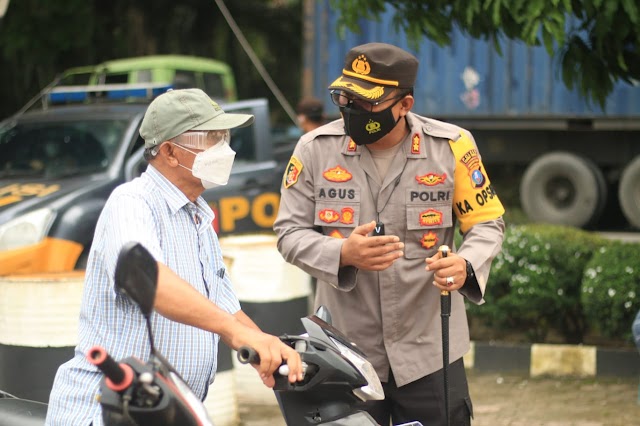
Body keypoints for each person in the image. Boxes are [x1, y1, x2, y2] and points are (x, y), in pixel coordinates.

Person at [274, 42, 505, 426]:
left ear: (404, 105)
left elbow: (486, 223)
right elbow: (289, 232)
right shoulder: (315, 150)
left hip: (431, 350)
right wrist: (343, 254)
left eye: (367, 103)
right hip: (344, 354)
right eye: (345, 97)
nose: (352, 109)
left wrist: (466, 264)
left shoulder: (450, 147)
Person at [46, 88, 303, 425]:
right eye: (213, 139)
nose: (225, 150)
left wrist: (265, 347)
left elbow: (225, 310)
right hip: (112, 410)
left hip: (170, 411)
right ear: (169, 151)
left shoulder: (197, 214)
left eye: (225, 137)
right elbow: (152, 282)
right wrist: (239, 333)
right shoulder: (133, 202)